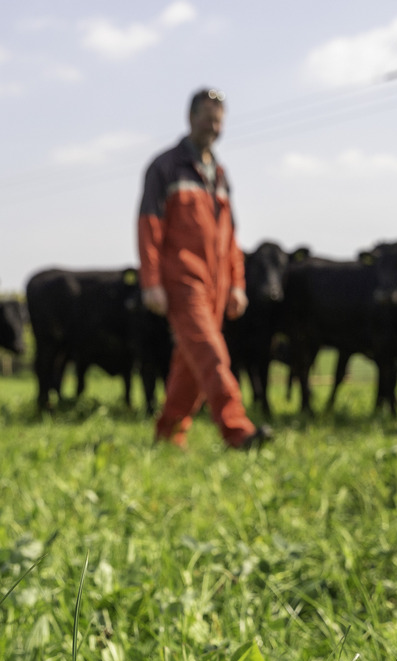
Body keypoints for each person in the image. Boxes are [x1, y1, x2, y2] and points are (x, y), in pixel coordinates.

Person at [138, 88, 272, 449]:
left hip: (218, 282)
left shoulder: (221, 175)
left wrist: (237, 284)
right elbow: (149, 225)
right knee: (213, 354)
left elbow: (230, 238)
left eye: (219, 121)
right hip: (182, 279)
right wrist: (151, 281)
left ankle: (168, 434)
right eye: (207, 118)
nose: (213, 127)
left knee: (190, 363)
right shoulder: (164, 167)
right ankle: (237, 430)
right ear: (190, 118)